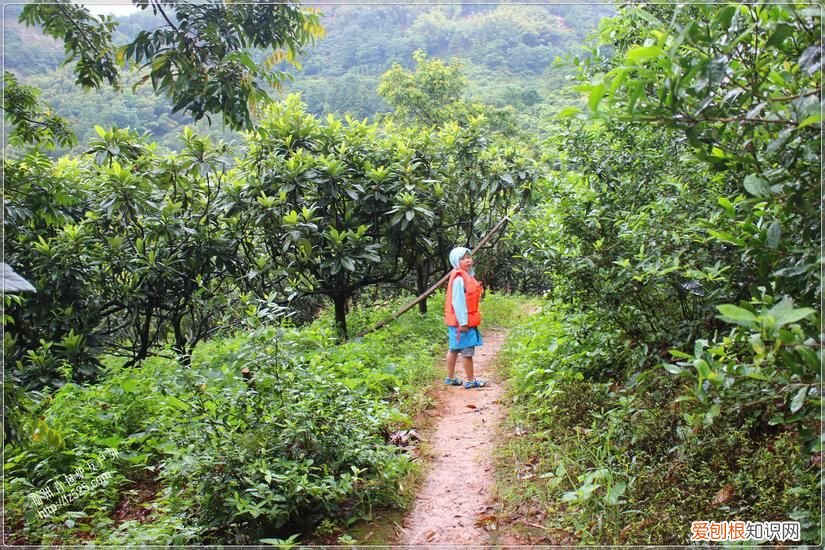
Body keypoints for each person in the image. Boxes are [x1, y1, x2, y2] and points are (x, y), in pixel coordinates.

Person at [443, 246, 486, 389]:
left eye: (469, 257)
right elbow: (458, 302)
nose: (468, 260)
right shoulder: (459, 279)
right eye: (463, 258)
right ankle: (470, 380)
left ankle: (450, 378)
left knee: (454, 348)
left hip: (456, 321)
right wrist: (463, 322)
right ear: (456, 261)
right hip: (461, 322)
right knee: (467, 351)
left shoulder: (464, 276)